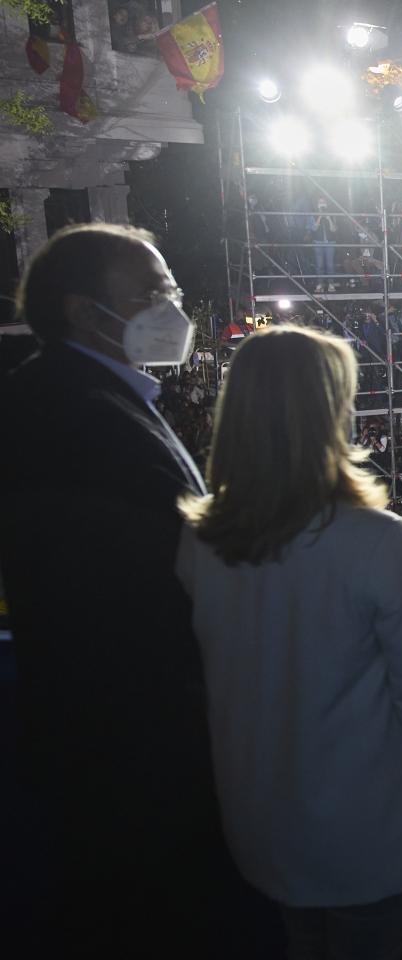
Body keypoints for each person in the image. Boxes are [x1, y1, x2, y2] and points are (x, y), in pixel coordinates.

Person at [176, 325, 402, 959]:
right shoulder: (379, 541)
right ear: (330, 411)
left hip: (259, 827)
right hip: (367, 834)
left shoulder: (199, 543)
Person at [0, 223, 237, 954]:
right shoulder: (63, 413)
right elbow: (125, 586)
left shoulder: (93, 398)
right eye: (152, 291)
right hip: (131, 755)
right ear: (81, 310)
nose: (173, 305)